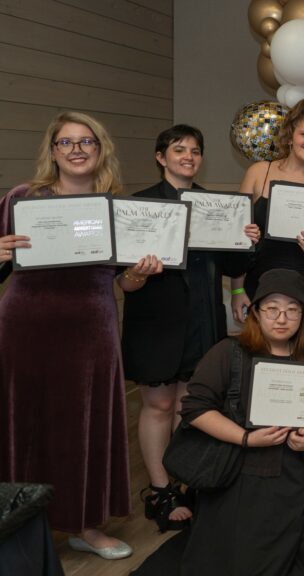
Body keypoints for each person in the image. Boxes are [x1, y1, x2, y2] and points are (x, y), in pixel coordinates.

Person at [0, 112, 163, 559]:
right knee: (21, 424)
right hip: (24, 327)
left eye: (86, 142)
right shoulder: (20, 198)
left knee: (85, 428)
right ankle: (16, 524)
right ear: (52, 151)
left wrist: (138, 274)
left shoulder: (116, 209)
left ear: (100, 149)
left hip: (92, 329)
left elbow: (122, 282)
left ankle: (86, 527)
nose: (76, 150)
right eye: (66, 142)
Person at [122, 124, 260, 532]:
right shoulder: (140, 205)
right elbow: (124, 281)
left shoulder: (215, 205)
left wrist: (247, 241)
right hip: (157, 321)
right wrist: (136, 272)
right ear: (160, 157)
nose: (188, 156)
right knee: (159, 405)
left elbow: (233, 268)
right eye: (178, 149)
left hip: (203, 318)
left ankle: (187, 478)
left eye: (195, 151)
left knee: (192, 406)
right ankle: (161, 489)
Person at [179, 269, 304, 575]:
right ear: (255, 312)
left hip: (296, 476)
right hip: (241, 475)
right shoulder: (229, 353)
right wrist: (246, 438)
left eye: (292, 310)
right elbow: (195, 409)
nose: (282, 318)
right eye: (272, 309)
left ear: (303, 316)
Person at [232, 98, 304, 339]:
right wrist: (237, 288)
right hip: (263, 286)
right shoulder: (258, 173)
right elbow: (237, 238)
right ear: (291, 134)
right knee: (265, 366)